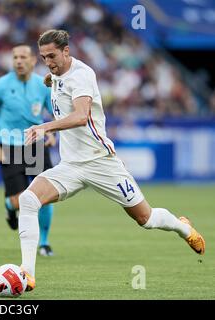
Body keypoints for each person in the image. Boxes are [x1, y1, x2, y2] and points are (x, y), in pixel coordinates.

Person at [15, 29, 205, 291]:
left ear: (66, 52)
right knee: (28, 199)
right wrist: (51, 78)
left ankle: (183, 228)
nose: (48, 63)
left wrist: (45, 127)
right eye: (44, 57)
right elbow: (58, 81)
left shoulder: (82, 76)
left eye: (52, 56)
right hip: (70, 166)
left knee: (145, 219)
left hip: (101, 162)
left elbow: (82, 116)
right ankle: (27, 274)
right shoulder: (57, 75)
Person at [0, 44, 56, 256]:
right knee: (19, 200)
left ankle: (44, 242)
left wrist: (52, 132)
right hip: (9, 146)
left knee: (46, 194)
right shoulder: (1, 85)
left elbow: (55, 114)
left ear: (34, 60)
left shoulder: (43, 85)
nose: (19, 61)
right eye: (15, 57)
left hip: (36, 144)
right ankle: (9, 205)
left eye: (23, 57)